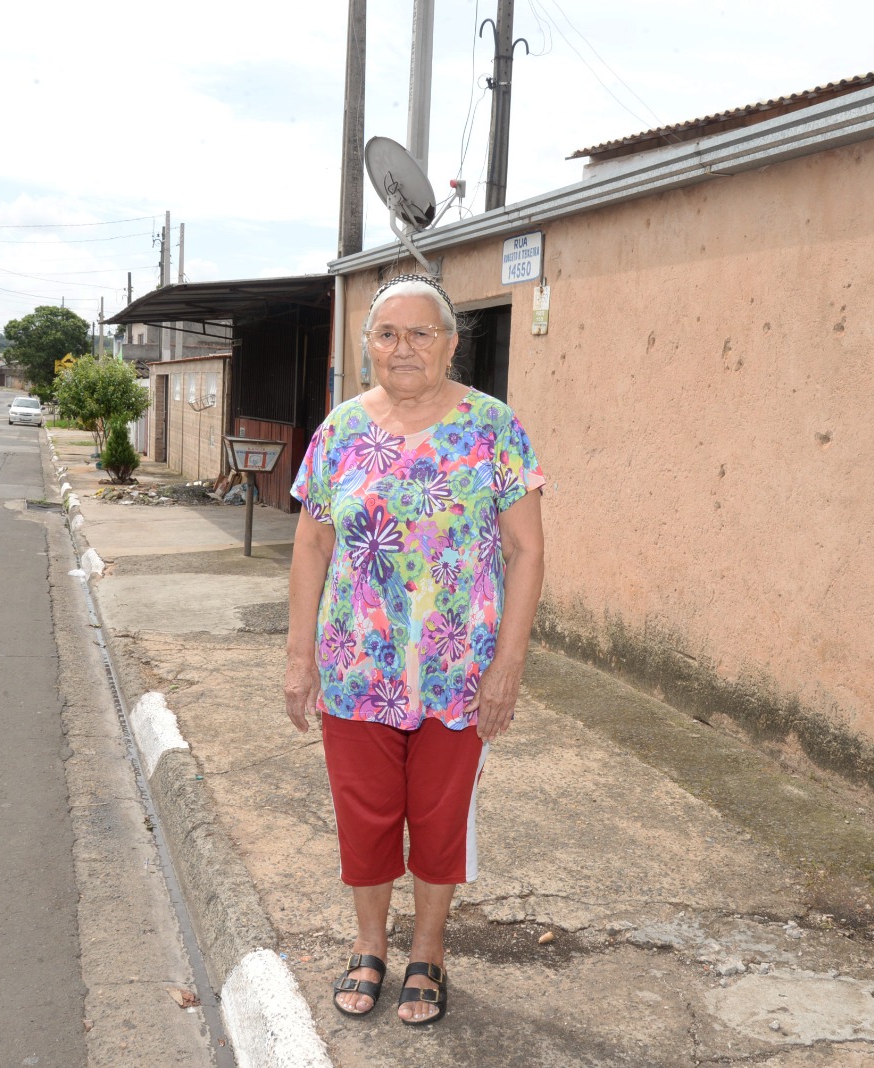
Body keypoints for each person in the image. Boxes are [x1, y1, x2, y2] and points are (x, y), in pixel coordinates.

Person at [285, 273, 546, 1026]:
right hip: (356, 667)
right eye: (387, 334)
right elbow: (311, 542)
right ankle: (370, 946)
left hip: (458, 673)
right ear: (366, 346)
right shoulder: (338, 430)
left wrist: (509, 665)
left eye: (420, 334)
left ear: (451, 345)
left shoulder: (494, 429)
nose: (403, 349)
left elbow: (526, 552)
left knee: (439, 816)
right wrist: (299, 656)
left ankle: (427, 953)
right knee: (363, 814)